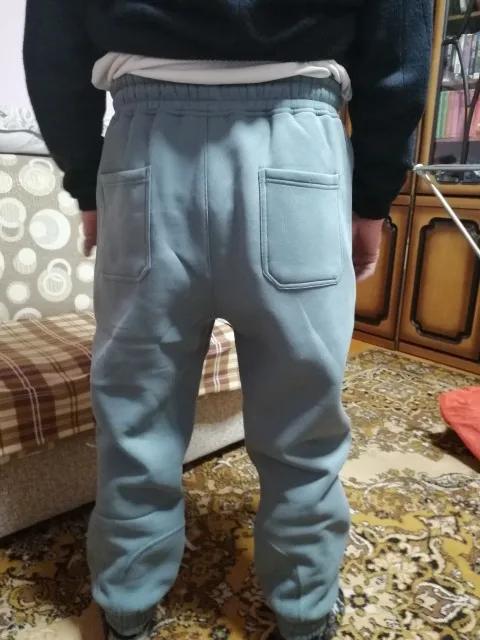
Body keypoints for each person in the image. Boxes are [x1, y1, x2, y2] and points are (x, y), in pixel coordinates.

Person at [23, 2, 432, 639]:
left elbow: (53, 44)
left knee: (136, 411)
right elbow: (399, 43)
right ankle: (305, 611)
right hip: (297, 141)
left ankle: (127, 606)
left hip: (145, 146)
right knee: (304, 414)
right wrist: (374, 193)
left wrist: (85, 178)